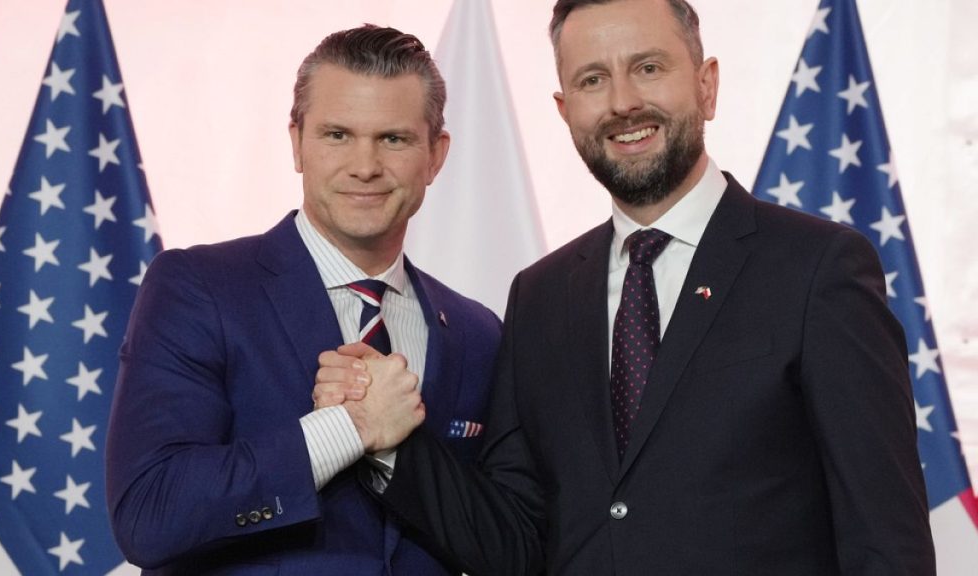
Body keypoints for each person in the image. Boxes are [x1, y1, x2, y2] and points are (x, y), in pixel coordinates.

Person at [316, 1, 936, 574]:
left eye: (647, 67)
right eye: (592, 80)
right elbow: (511, 536)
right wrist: (387, 441)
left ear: (706, 84)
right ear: (565, 111)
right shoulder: (539, 295)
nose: (622, 102)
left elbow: (884, 536)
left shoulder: (818, 268)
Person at [104, 25, 501, 575]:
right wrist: (349, 427)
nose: (365, 165)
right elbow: (150, 515)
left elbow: (500, 540)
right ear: (297, 142)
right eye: (338, 135)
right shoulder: (197, 287)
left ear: (436, 154)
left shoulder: (478, 333)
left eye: (394, 138)